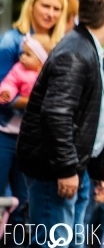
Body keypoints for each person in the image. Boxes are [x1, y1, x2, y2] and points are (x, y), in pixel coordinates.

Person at [17, 0, 104, 248]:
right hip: (55, 171)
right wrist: (65, 169)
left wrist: (97, 166)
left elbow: (89, 116)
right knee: (52, 244)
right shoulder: (75, 52)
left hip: (77, 167)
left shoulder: (88, 47)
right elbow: (56, 114)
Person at [0, 33, 54, 245]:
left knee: (23, 198)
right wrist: (6, 93)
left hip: (30, 138)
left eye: (28, 55)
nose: (22, 57)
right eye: (22, 53)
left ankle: (17, 241)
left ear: (40, 59)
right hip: (7, 132)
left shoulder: (46, 76)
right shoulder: (18, 70)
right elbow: (9, 83)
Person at [0, 0, 68, 81]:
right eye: (45, 6)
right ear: (31, 5)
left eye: (56, 9)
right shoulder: (10, 41)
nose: (50, 14)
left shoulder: (63, 44)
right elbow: (3, 85)